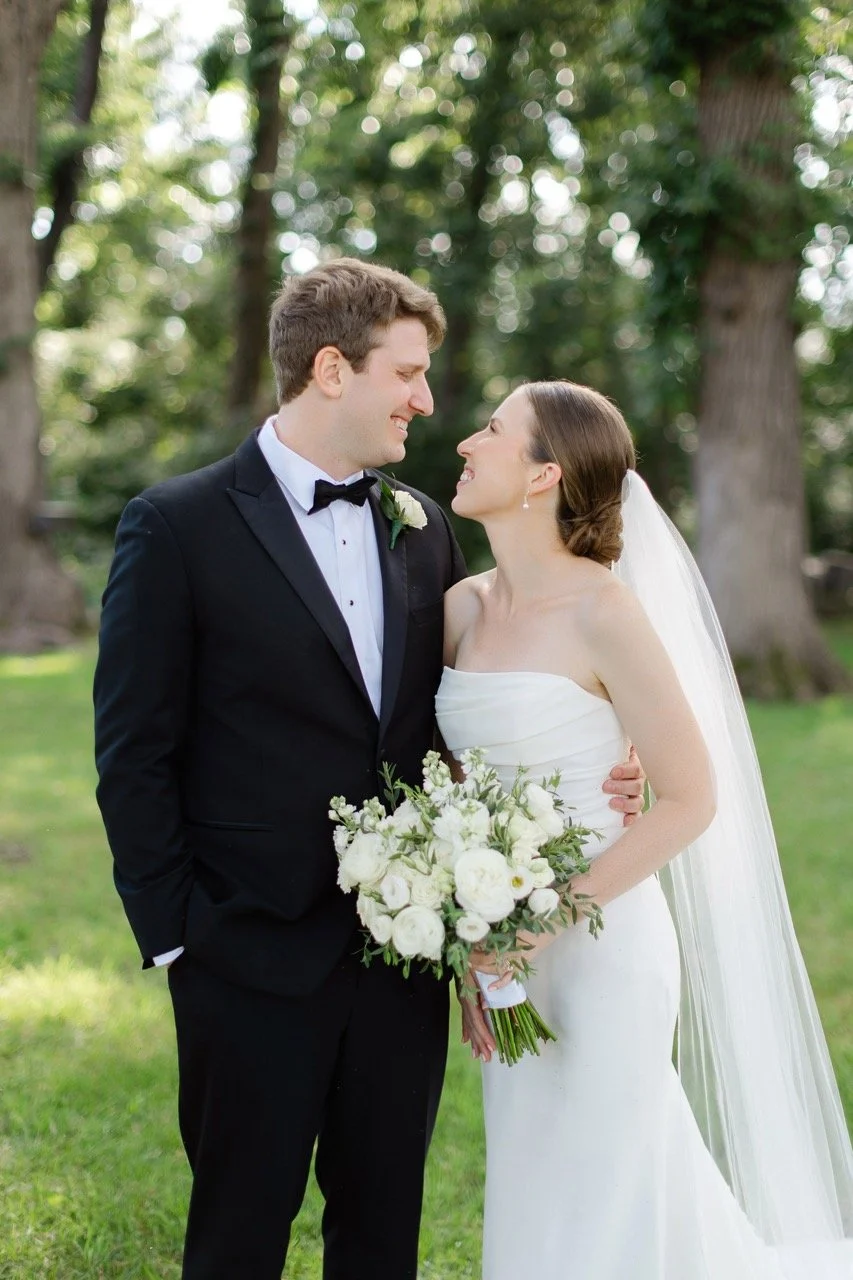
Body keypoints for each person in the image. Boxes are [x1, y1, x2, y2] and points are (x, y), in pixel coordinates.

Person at [92, 261, 645, 1280]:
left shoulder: (424, 527)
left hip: (400, 961)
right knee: (236, 1233)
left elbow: (469, 707)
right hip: (242, 951)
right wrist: (177, 939)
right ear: (332, 369)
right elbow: (133, 750)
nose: (426, 401)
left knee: (381, 1232)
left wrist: (623, 755)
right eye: (409, 373)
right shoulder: (177, 525)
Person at [437, 378, 853, 1280]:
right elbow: (458, 781)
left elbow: (688, 797)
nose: (466, 443)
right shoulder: (461, 608)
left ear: (544, 473)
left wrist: (535, 925)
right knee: (536, 1170)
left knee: (607, 1176)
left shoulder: (604, 611)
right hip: (503, 953)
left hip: (602, 945)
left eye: (493, 430)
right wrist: (478, 942)